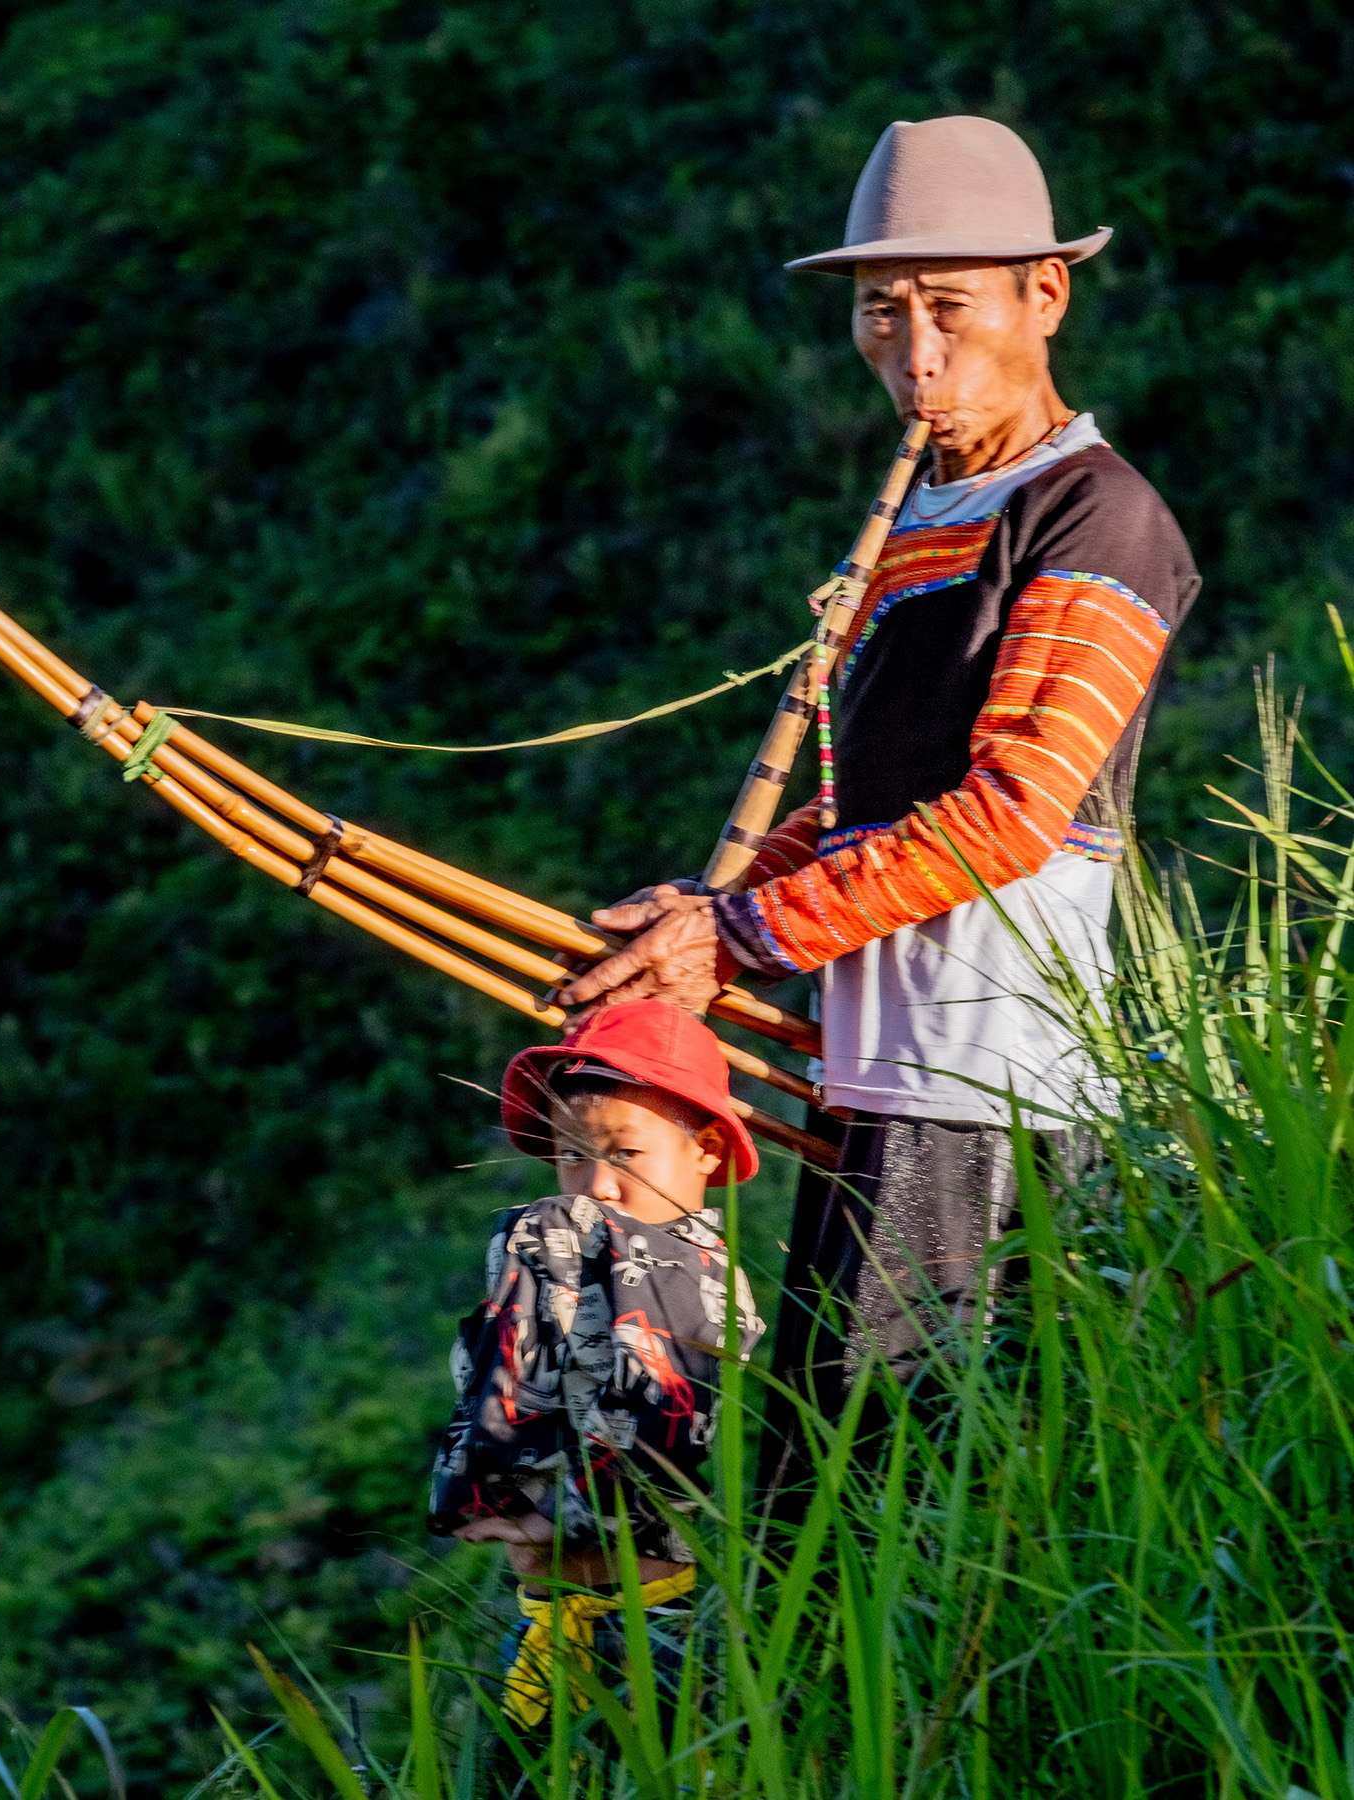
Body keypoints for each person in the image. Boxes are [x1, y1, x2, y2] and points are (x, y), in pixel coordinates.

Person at [553, 117, 1201, 1505]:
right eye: (881, 314)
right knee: (826, 1475)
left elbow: (1015, 810)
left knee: (875, 1495)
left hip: (987, 1080)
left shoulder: (1098, 515)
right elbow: (868, 808)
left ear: (1045, 296)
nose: (914, 355)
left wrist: (744, 932)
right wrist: (700, 913)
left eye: (949, 310)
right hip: (880, 1074)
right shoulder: (923, 519)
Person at [427, 998, 762, 1731]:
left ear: (704, 1150)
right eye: (574, 1154)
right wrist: (483, 1491)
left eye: (625, 1153)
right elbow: (497, 1373)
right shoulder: (564, 1251)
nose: (596, 1183)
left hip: (642, 1625)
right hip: (546, 1611)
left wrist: (553, 1513)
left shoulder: (688, 1270)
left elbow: (662, 1422)